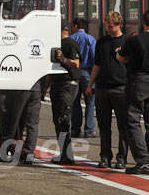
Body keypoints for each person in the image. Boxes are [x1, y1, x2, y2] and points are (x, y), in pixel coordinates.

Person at [86, 12, 128, 169]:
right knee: (104, 126)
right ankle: (105, 157)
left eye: (110, 26)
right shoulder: (101, 42)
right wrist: (90, 84)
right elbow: (97, 64)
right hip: (102, 88)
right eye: (106, 26)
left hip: (121, 88)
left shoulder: (127, 42)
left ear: (118, 25)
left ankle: (122, 157)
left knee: (123, 126)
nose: (108, 29)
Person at [117, 10, 149, 174]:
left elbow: (121, 57)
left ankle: (143, 161)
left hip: (139, 80)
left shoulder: (134, 39)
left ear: (143, 22)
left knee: (133, 120)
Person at [44, 23, 81, 164]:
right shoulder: (55, 44)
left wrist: (63, 59)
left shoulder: (70, 44)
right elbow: (51, 70)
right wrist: (45, 89)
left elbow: (76, 63)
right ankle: (64, 153)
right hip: (57, 85)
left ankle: (67, 154)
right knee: (58, 119)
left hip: (67, 85)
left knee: (63, 119)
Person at [1, 77, 45, 164]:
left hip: (22, 87)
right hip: (36, 88)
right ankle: (29, 153)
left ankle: (6, 150)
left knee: (14, 120)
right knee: (32, 124)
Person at [70, 17, 97, 138]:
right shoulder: (90, 39)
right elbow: (94, 58)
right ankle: (89, 129)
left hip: (73, 72)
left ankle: (75, 129)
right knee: (90, 101)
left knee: (75, 102)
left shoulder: (70, 39)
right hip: (87, 72)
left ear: (75, 26)